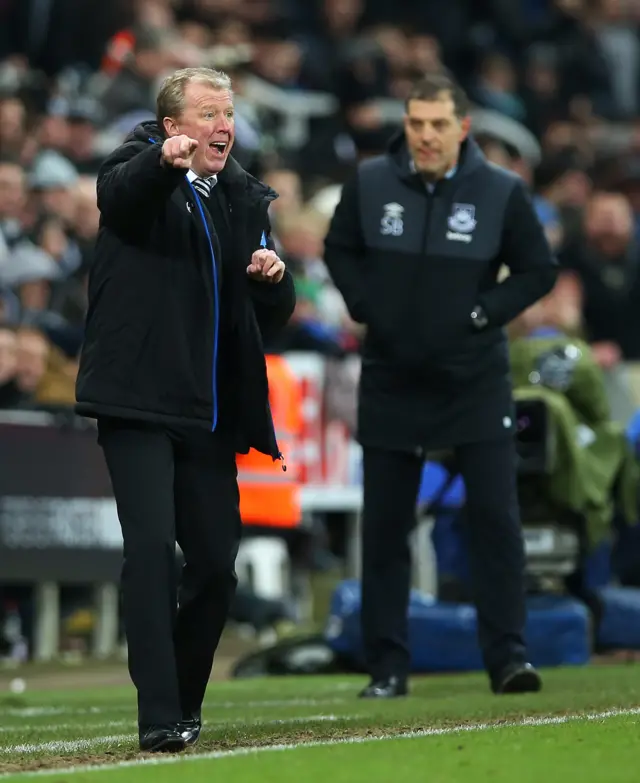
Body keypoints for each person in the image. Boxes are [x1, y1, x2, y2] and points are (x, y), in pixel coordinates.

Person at [75, 67, 295, 752]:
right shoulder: (136, 169)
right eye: (206, 112)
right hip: (138, 399)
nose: (221, 124)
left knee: (214, 565)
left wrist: (273, 283)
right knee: (150, 551)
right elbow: (120, 196)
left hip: (207, 409)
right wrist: (159, 164)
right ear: (172, 126)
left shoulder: (241, 198)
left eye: (226, 112)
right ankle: (158, 713)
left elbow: (271, 320)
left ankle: (185, 697)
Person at [323, 72, 557, 698]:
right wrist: (366, 303)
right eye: (416, 123)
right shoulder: (371, 183)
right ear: (406, 124)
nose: (425, 135)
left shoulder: (501, 190)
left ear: (463, 128)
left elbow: (539, 269)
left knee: (495, 522)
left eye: (437, 124)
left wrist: (483, 314)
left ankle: (508, 657)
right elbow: (338, 248)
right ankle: (387, 666)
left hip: (473, 380)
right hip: (392, 379)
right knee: (386, 529)